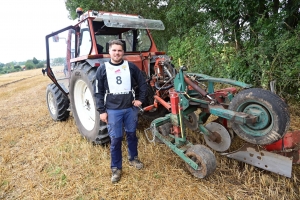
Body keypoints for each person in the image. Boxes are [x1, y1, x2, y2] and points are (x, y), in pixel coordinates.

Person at [94, 40, 147, 183]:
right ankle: (116, 168)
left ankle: (133, 158)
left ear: (123, 52)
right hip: (112, 111)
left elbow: (142, 83)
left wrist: (140, 100)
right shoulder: (102, 69)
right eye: (114, 50)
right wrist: (102, 111)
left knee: (132, 136)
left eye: (119, 50)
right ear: (109, 52)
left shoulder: (130, 66)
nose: (117, 53)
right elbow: (98, 92)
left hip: (130, 109)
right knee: (116, 139)